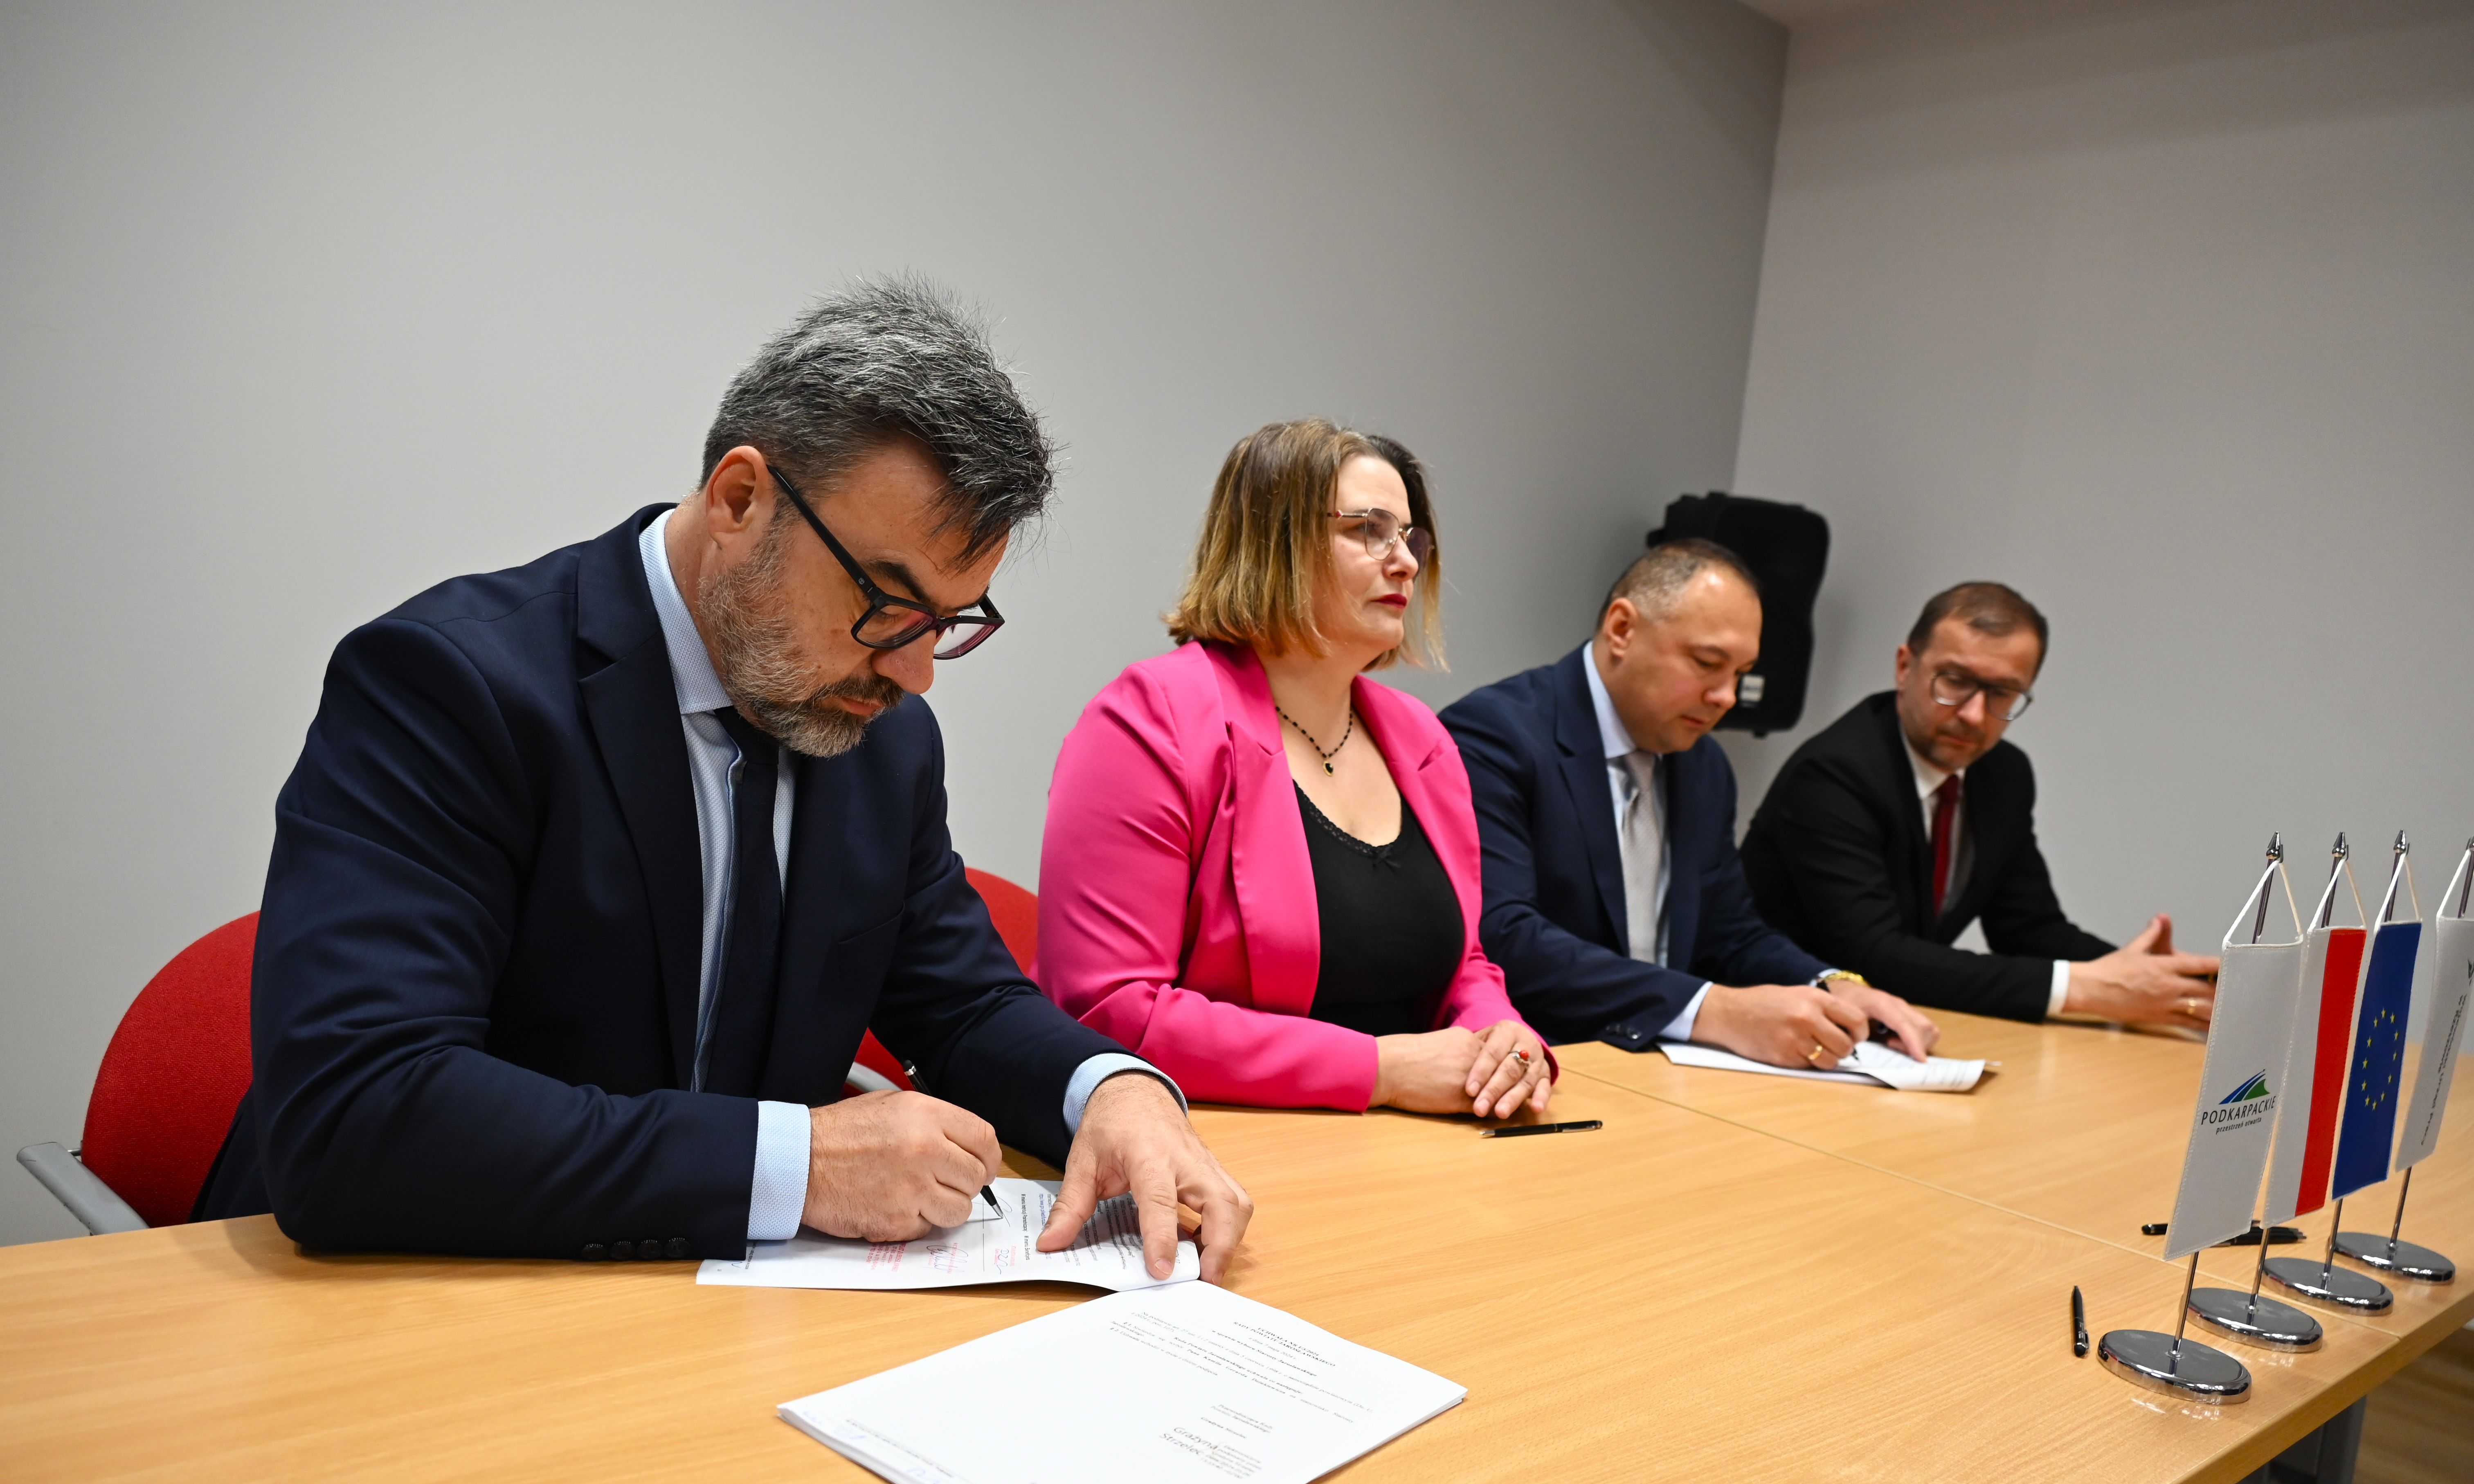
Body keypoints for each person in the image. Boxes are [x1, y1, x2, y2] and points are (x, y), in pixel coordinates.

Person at [196, 279, 1250, 1281]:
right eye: (888, 604)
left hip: (723, 1318)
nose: (916, 673)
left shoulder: (883, 739)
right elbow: (356, 1112)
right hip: (404, 1298)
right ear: (741, 498)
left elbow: (964, 1003)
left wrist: (1113, 1090)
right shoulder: (451, 687)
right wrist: (799, 1165)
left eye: (949, 622)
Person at [1036, 420, 1553, 1121]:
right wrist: (1380, 1070)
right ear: (1274, 541)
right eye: (1369, 530)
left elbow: (1462, 963)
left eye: (1411, 538)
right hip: (1214, 1140)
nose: (1406, 562)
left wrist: (1501, 1034)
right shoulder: (1149, 719)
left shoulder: (1422, 739)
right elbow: (1110, 1008)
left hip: (1416, 1141)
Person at [1440, 540, 1937, 1069]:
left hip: (1669, 1068)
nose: (1727, 696)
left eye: (1741, 672)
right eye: (1707, 663)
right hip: (1542, 1063)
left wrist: (1834, 985)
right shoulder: (1494, 736)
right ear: (1622, 629)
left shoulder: (1705, 765)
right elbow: (1504, 937)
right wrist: (1713, 1010)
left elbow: (1730, 932)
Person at [1740, 581, 2219, 1026]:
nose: (1974, 715)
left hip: (1892, 1028)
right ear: (1905, 667)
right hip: (1777, 1022)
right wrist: (2086, 989)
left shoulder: (2003, 774)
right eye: (1955, 681)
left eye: (2002, 693)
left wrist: (2152, 977)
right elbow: (1874, 955)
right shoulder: (1834, 773)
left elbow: (2027, 927)